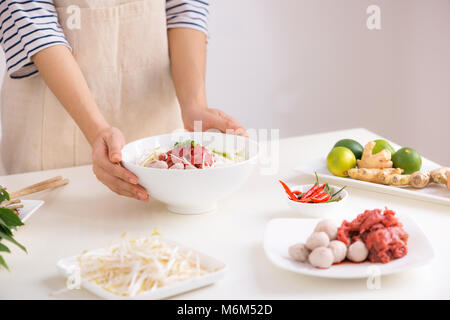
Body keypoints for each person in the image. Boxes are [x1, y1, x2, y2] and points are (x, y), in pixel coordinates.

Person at [0, 0, 246, 201]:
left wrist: (194, 105)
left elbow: (185, 7)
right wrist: (96, 130)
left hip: (153, 111)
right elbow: (33, 22)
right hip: (51, 122)